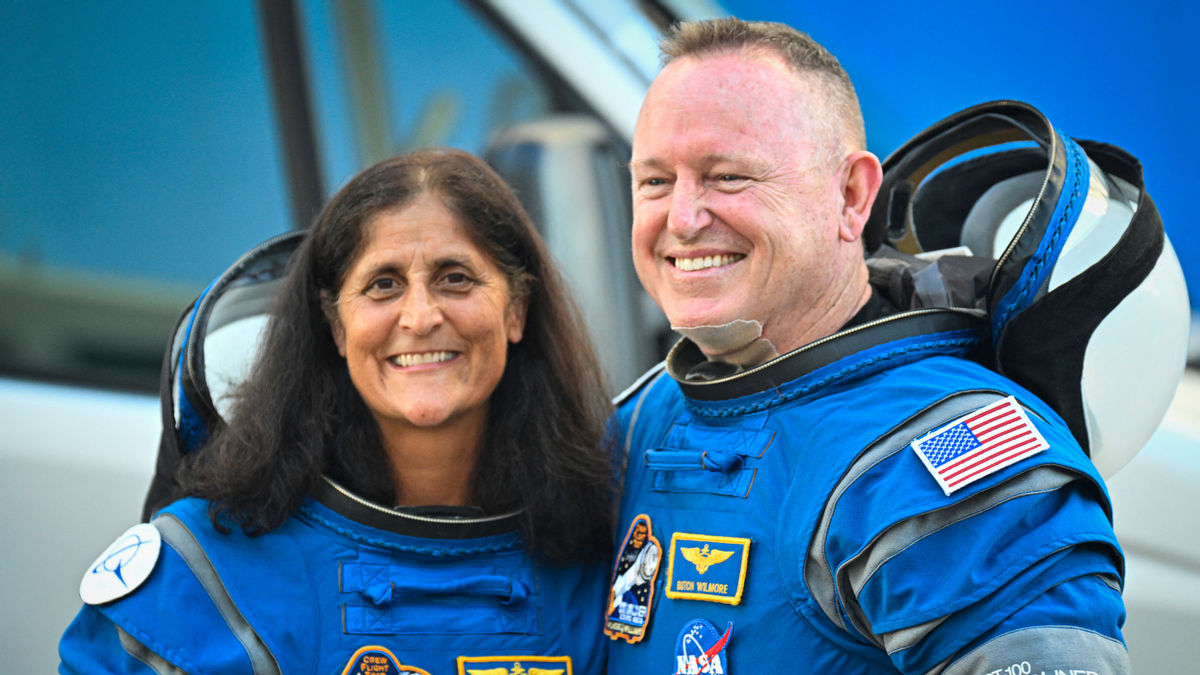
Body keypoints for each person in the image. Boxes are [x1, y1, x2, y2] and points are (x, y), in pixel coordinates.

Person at [606, 18, 1129, 675]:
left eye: (728, 176)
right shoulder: (650, 413)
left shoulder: (956, 462)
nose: (681, 217)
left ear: (852, 195)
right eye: (655, 181)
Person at [60, 148, 615, 675]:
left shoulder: (600, 554)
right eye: (383, 285)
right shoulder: (206, 575)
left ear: (516, 308)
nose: (420, 317)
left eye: (456, 278)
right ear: (336, 326)